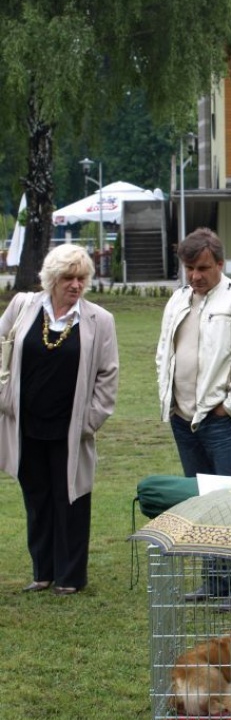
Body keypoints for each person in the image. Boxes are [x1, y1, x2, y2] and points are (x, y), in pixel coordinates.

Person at [156, 227, 231, 610]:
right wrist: (170, 401)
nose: (195, 276)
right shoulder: (177, 301)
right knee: (204, 503)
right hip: (183, 419)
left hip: (223, 421)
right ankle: (214, 581)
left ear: (221, 264)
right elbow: (164, 353)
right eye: (189, 268)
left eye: (203, 267)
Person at [0, 244, 119, 595]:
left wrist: (90, 421)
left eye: (82, 278)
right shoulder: (23, 306)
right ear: (51, 279)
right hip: (26, 424)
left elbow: (108, 375)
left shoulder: (100, 319)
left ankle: (70, 577)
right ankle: (43, 573)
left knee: (72, 498)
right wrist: (3, 394)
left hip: (71, 428)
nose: (76, 285)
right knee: (36, 497)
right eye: (68, 277)